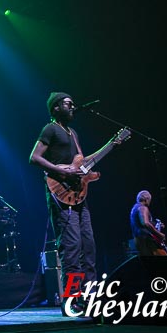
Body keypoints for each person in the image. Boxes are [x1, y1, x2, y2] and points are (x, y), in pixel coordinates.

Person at [29, 92, 99, 315]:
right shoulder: (50, 129)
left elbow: (81, 164)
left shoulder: (74, 134)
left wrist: (111, 145)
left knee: (88, 248)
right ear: (56, 108)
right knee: (71, 250)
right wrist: (59, 169)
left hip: (79, 196)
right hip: (61, 194)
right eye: (68, 104)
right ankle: (71, 299)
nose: (73, 107)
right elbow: (34, 157)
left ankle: (90, 297)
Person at [130, 190, 167, 256]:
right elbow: (146, 223)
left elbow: (140, 224)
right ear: (147, 199)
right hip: (147, 240)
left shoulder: (134, 208)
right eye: (150, 200)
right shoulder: (143, 208)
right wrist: (159, 234)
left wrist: (156, 225)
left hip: (139, 240)